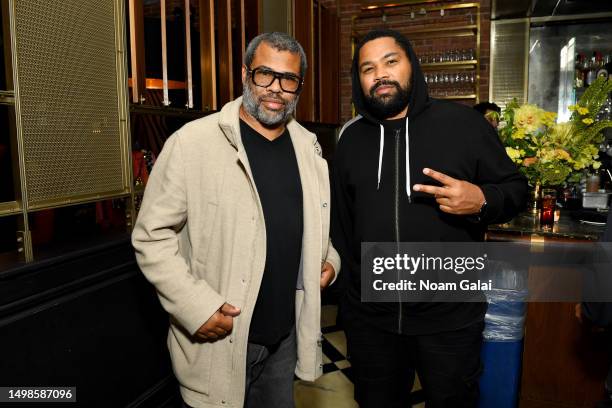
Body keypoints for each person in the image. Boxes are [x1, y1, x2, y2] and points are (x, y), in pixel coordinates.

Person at [132, 32, 340, 408]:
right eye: (265, 74)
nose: (275, 89)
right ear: (245, 74)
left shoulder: (309, 149)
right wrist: (195, 306)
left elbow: (316, 228)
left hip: (284, 340)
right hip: (223, 341)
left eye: (288, 79)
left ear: (299, 87)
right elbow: (151, 237)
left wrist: (330, 261)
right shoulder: (192, 143)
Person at [331, 29, 527, 407]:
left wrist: (483, 198)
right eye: (367, 68)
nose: (380, 74)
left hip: (450, 318)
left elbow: (517, 188)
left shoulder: (463, 125)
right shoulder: (350, 139)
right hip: (372, 322)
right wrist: (348, 301)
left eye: (391, 62)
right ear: (359, 79)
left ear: (411, 66)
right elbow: (341, 223)